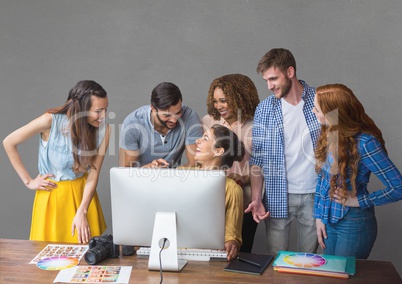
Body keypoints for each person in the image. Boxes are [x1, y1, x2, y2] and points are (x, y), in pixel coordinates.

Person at [3, 80, 110, 243]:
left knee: (87, 258)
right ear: (81, 109)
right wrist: (29, 181)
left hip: (83, 198)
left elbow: (93, 174)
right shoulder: (50, 121)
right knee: (49, 258)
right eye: (98, 111)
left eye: (105, 109)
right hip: (52, 198)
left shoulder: (104, 130)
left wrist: (82, 212)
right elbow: (9, 142)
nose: (103, 116)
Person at [312, 83, 402, 259]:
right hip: (329, 221)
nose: (313, 111)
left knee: (347, 277)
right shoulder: (328, 133)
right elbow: (322, 181)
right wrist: (319, 217)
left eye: (317, 108)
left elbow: (398, 187)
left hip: (353, 223)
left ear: (333, 111)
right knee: (331, 276)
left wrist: (360, 200)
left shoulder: (366, 143)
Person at [245, 48, 320, 255]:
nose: (269, 86)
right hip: (278, 194)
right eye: (266, 81)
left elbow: (337, 149)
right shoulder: (264, 109)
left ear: (290, 72)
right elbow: (257, 159)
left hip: (316, 194)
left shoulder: (321, 99)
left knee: (309, 263)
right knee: (276, 262)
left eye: (273, 79)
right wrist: (257, 198)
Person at [202, 74, 260, 253]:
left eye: (224, 101)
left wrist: (243, 177)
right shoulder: (208, 122)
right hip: (214, 196)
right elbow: (203, 158)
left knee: (239, 250)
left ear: (239, 98)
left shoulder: (257, 126)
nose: (218, 106)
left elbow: (261, 166)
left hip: (245, 199)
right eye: (216, 101)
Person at [181, 124, 244, 260]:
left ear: (219, 151)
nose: (197, 140)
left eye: (205, 138)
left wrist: (232, 243)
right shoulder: (180, 175)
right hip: (175, 253)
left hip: (208, 258)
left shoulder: (232, 189)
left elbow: (231, 234)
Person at [119, 82, 203, 168]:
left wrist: (171, 174)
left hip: (175, 179)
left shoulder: (190, 117)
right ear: (153, 109)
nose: (174, 120)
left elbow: (195, 164)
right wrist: (148, 168)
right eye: (167, 115)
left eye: (178, 113)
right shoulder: (133, 123)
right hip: (140, 179)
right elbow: (125, 171)